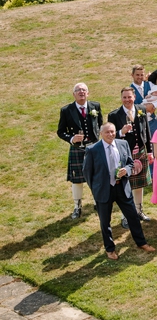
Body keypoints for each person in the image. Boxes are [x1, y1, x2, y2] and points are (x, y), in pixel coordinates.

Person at [82, 122, 156, 261]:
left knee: (133, 216)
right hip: (104, 190)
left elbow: (130, 163)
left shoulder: (123, 144)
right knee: (105, 222)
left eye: (112, 131)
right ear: (101, 134)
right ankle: (110, 249)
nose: (110, 134)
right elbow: (87, 172)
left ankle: (141, 243)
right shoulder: (92, 149)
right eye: (107, 132)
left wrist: (127, 171)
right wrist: (96, 189)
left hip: (122, 188)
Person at [58, 82, 102, 219]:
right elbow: (60, 131)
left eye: (84, 90)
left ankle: (97, 203)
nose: (81, 92)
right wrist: (71, 138)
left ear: (88, 93)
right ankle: (77, 206)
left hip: (93, 146)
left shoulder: (95, 106)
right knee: (77, 179)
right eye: (78, 90)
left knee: (96, 176)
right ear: (74, 94)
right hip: (77, 148)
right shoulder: (66, 110)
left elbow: (100, 123)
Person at [109, 86, 153, 224]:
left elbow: (146, 131)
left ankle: (139, 211)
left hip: (140, 152)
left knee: (139, 185)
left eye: (129, 97)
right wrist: (121, 132)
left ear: (134, 97)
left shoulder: (141, 109)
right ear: (121, 98)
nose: (127, 100)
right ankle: (125, 216)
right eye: (124, 97)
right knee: (125, 186)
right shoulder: (114, 115)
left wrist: (149, 151)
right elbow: (110, 137)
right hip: (124, 155)